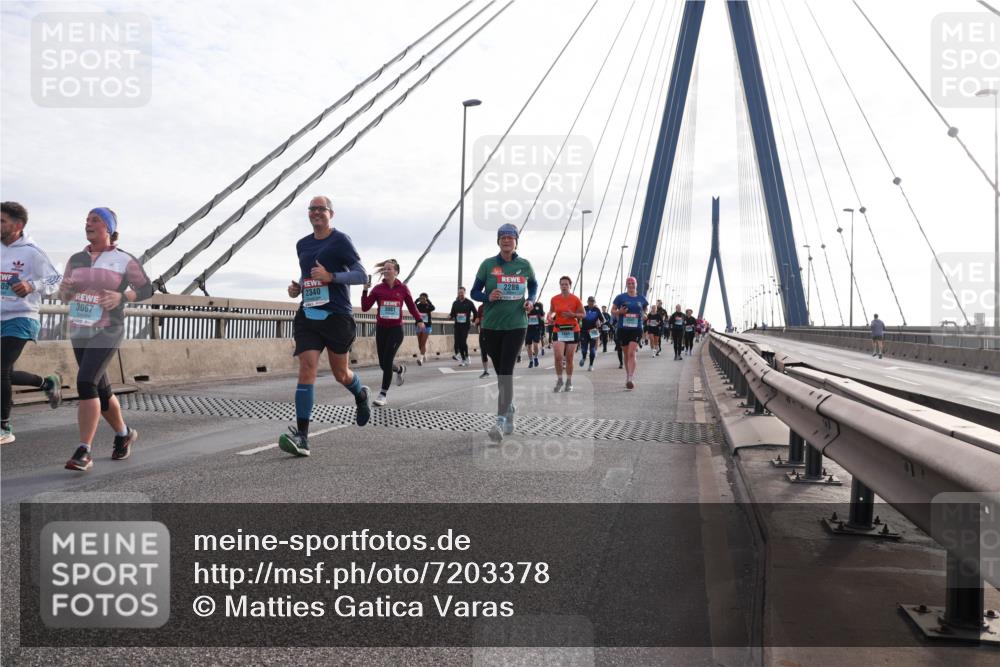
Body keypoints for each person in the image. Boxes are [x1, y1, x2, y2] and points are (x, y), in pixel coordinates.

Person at [61, 208, 153, 471]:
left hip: (108, 328)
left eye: (95, 220)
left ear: (109, 229)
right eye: (87, 220)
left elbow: (146, 288)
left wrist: (123, 296)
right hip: (80, 328)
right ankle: (124, 433)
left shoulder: (124, 259)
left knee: (86, 382)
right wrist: (65, 291)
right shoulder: (76, 259)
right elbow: (65, 294)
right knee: (101, 390)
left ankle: (84, 451)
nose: (88, 223)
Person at [279, 195, 370, 458]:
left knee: (341, 374)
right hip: (308, 314)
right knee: (307, 367)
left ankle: (360, 394)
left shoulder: (340, 240)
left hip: (337, 316)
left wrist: (331, 276)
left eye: (322, 209)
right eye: (312, 209)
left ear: (331, 213)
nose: (316, 212)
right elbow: (307, 274)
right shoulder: (302, 244)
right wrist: (298, 287)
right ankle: (302, 437)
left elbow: (361, 274)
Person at [1, 201, 63, 444]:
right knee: (4, 372)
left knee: (0, 369)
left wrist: (32, 285)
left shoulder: (32, 252)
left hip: (21, 317)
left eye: (2, 221)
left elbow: (56, 279)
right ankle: (47, 383)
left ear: (18, 225)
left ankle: (4, 427)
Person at [471, 223, 537, 442]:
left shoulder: (524, 265)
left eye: (510, 237)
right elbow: (474, 292)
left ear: (516, 241)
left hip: (516, 325)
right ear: (498, 241)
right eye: (503, 237)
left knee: (506, 372)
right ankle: (510, 407)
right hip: (491, 326)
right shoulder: (488, 264)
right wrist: (487, 296)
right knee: (501, 374)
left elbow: (533, 285)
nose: (507, 240)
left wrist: (530, 300)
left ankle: (500, 421)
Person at [360, 259, 425, 407]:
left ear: (396, 272)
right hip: (381, 329)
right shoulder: (377, 289)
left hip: (396, 330)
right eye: (384, 269)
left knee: (388, 361)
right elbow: (365, 307)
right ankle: (400, 369)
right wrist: (365, 290)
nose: (386, 271)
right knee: (383, 365)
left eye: (389, 269)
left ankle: (383, 394)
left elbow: (412, 306)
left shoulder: (403, 289)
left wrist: (419, 320)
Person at [548, 277, 584, 392]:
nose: (564, 286)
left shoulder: (575, 299)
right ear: (560, 285)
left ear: (570, 286)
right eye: (562, 284)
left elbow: (583, 314)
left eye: (566, 284)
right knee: (558, 357)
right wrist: (549, 316)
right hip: (558, 330)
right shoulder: (554, 299)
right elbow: (551, 310)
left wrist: (573, 315)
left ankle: (569, 381)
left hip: (573, 330)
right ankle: (560, 380)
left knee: (569, 358)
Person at [611, 277, 648, 389]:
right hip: (623, 328)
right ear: (626, 285)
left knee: (632, 353)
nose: (631, 285)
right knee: (626, 354)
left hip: (636, 328)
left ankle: (631, 378)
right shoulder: (620, 297)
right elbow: (612, 310)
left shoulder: (642, 298)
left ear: (636, 284)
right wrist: (620, 312)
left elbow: (645, 311)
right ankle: (628, 375)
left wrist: (645, 315)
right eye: (629, 283)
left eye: (633, 283)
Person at [449, 287, 476, 366]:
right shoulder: (455, 303)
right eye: (459, 293)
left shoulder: (469, 302)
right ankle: (463, 359)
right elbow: (452, 313)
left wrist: (473, 320)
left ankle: (467, 357)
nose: (460, 294)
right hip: (457, 325)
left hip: (465, 325)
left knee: (463, 341)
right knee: (458, 342)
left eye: (462, 292)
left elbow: (475, 312)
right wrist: (450, 316)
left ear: (464, 293)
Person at [579, 296, 604, 371]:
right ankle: (584, 357)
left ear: (594, 302)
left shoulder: (597, 310)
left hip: (593, 331)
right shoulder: (584, 308)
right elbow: (578, 317)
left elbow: (603, 320)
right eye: (590, 301)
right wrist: (579, 322)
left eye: (593, 301)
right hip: (584, 331)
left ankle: (591, 365)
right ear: (587, 302)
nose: (591, 303)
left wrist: (599, 323)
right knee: (584, 349)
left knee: (592, 349)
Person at [414, 292, 434, 365]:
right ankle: (424, 354)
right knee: (420, 344)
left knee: (423, 342)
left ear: (426, 299)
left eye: (423, 298)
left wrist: (428, 301)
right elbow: (412, 306)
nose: (422, 299)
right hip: (418, 325)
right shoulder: (418, 306)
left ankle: (421, 359)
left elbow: (433, 307)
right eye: (420, 298)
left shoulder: (428, 306)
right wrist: (417, 300)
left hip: (427, 326)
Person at [524, 300, 545, 367]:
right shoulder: (525, 309)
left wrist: (543, 330)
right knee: (529, 346)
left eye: (529, 307)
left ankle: (535, 357)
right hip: (528, 330)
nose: (528, 308)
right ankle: (531, 361)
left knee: (536, 344)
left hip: (536, 329)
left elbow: (542, 318)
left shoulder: (538, 307)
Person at [475, 302, 489, 378]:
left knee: (496, 352)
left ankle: (501, 370)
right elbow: (477, 320)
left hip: (493, 332)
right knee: (483, 352)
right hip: (483, 332)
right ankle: (486, 371)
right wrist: (477, 321)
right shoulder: (480, 308)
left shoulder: (495, 306)